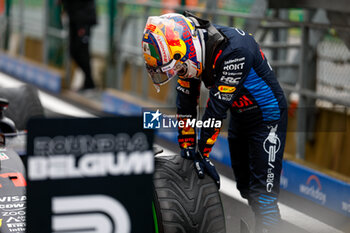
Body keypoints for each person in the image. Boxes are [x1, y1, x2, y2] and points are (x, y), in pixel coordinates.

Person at [141, 12, 287, 233]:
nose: (180, 72)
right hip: (241, 115)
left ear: (186, 49)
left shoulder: (235, 51)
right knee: (246, 188)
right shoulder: (188, 52)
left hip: (267, 119)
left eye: (179, 67)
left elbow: (215, 111)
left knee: (262, 196)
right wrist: (188, 149)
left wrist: (203, 154)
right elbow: (186, 107)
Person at [61, 0, 97, 90]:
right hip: (75, 19)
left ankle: (89, 82)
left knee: (81, 51)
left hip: (83, 20)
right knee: (73, 50)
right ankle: (89, 81)